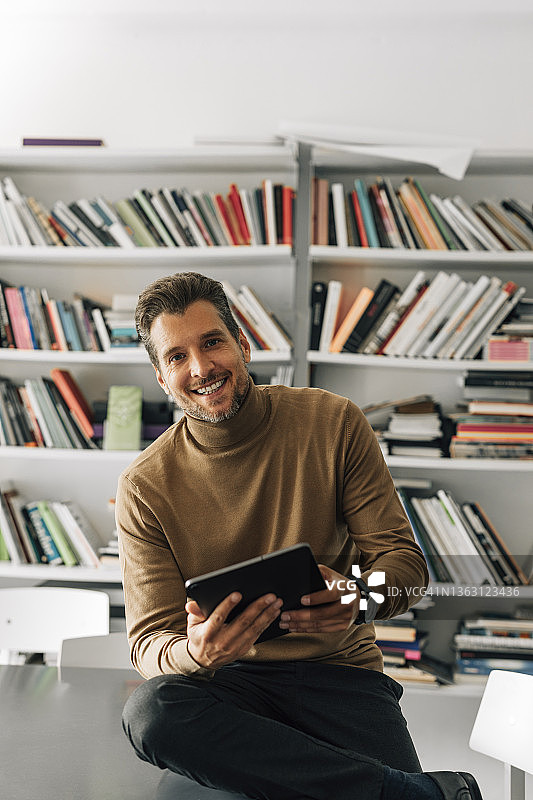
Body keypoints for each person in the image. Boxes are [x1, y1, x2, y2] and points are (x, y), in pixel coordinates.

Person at [118, 271, 483, 800]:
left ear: (243, 344)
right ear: (160, 375)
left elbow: (406, 568)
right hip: (230, 690)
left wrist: (360, 598)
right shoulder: (144, 486)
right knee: (150, 711)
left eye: (213, 342)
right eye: (177, 356)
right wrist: (197, 653)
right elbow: (150, 643)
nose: (200, 368)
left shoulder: (332, 423)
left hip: (341, 678)